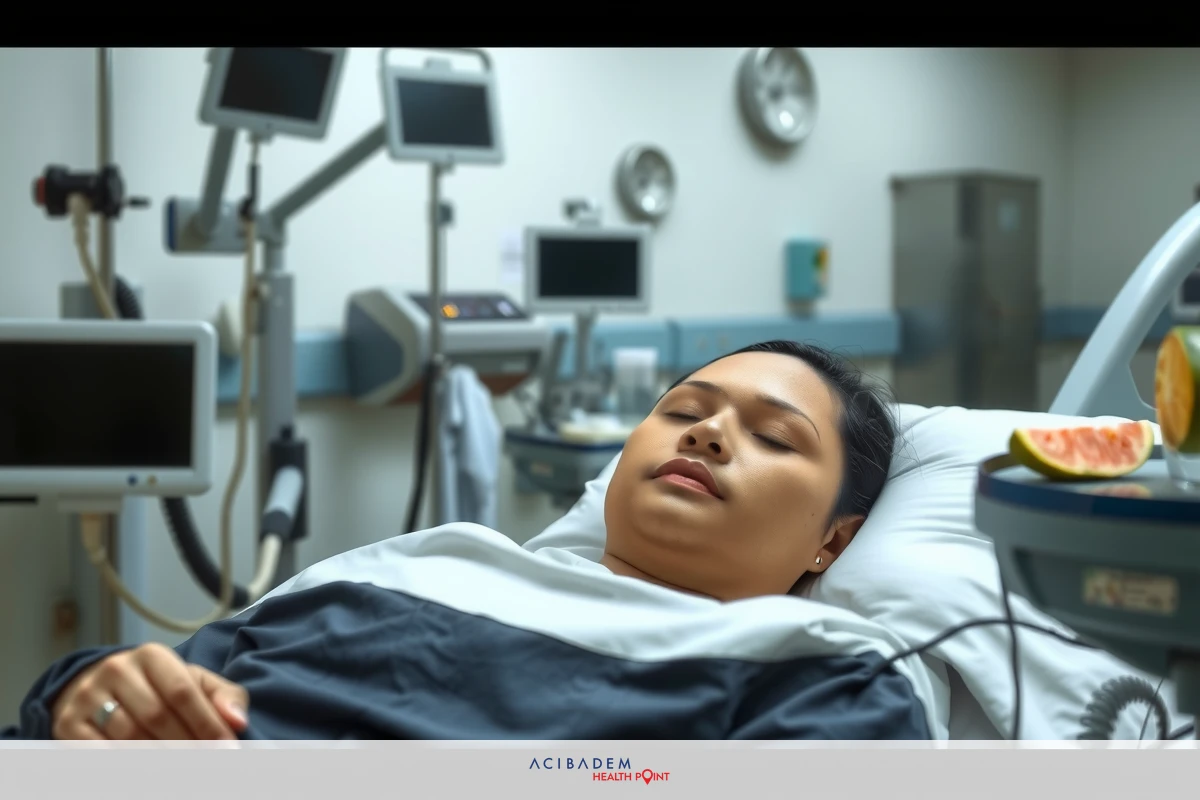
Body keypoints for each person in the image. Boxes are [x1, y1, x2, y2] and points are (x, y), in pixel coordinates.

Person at [2, 340, 905, 741]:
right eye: (683, 412)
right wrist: (82, 693)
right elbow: (164, 685)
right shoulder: (425, 559)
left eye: (774, 437)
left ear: (832, 542)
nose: (706, 435)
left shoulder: (825, 669)